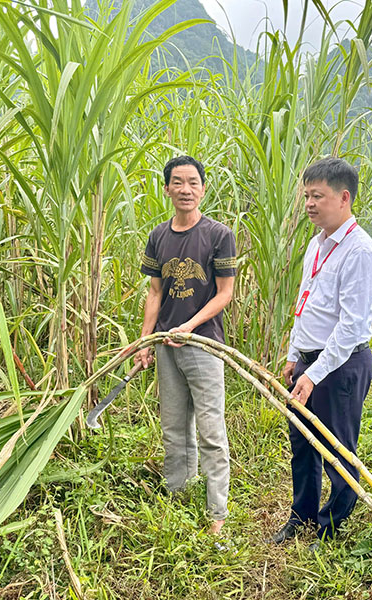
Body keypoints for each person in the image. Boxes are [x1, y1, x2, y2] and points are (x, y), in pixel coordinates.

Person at [269, 156, 372, 550]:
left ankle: (330, 526)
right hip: (308, 360)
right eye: (306, 196)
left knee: (337, 447)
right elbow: (306, 302)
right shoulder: (316, 245)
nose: (309, 204)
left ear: (344, 198)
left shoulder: (360, 251)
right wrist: (293, 354)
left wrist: (314, 373)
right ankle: (300, 515)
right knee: (303, 441)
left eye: (317, 196)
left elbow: (351, 326)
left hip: (341, 364)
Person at [136, 155, 237, 536]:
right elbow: (155, 291)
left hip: (204, 345)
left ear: (203, 188)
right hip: (166, 346)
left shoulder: (217, 235)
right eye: (177, 182)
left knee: (211, 430)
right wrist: (147, 340)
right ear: (167, 189)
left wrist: (190, 326)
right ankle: (177, 494)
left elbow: (225, 293)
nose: (185, 190)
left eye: (193, 182)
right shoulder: (158, 236)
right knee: (174, 427)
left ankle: (217, 515)